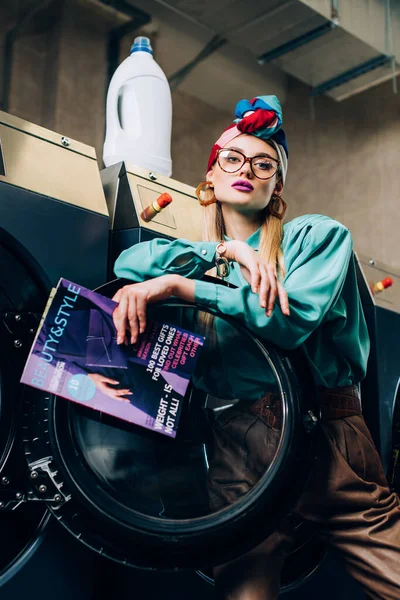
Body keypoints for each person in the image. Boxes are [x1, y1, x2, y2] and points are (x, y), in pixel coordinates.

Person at [111, 95, 400, 599]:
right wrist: (227, 250)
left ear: (277, 185)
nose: (247, 169)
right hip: (236, 445)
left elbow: (286, 323)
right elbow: (129, 265)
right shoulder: (207, 261)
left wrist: (180, 288)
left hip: (325, 435)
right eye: (233, 159)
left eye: (264, 163)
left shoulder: (319, 238)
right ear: (211, 180)